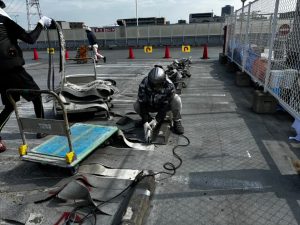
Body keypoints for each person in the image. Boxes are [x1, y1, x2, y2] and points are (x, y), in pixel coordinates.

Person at [0, 0, 52, 152]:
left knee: (10, 105)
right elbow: (30, 39)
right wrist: (41, 23)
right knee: (36, 95)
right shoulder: (5, 21)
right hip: (12, 68)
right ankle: (42, 128)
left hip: (0, 72)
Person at [134, 65, 184, 142]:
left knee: (176, 99)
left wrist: (157, 120)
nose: (155, 87)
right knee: (136, 105)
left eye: (158, 85)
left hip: (163, 106)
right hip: (150, 105)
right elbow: (142, 103)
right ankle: (149, 121)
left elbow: (165, 105)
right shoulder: (144, 83)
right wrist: (145, 121)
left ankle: (177, 121)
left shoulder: (169, 85)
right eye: (153, 85)